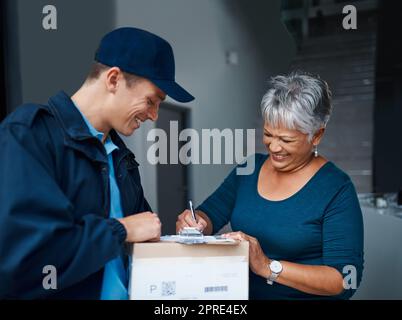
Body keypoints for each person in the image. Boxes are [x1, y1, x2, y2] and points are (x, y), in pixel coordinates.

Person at [0, 27, 194, 299]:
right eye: (151, 101)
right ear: (113, 79)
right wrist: (122, 230)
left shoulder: (121, 157)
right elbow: (29, 258)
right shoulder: (29, 135)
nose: (153, 115)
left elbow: (143, 233)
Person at [177, 71, 364, 300]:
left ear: (316, 136)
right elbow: (210, 215)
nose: (273, 147)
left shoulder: (336, 188)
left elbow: (344, 279)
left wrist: (267, 266)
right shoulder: (249, 169)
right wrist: (196, 222)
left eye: (286, 140)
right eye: (268, 134)